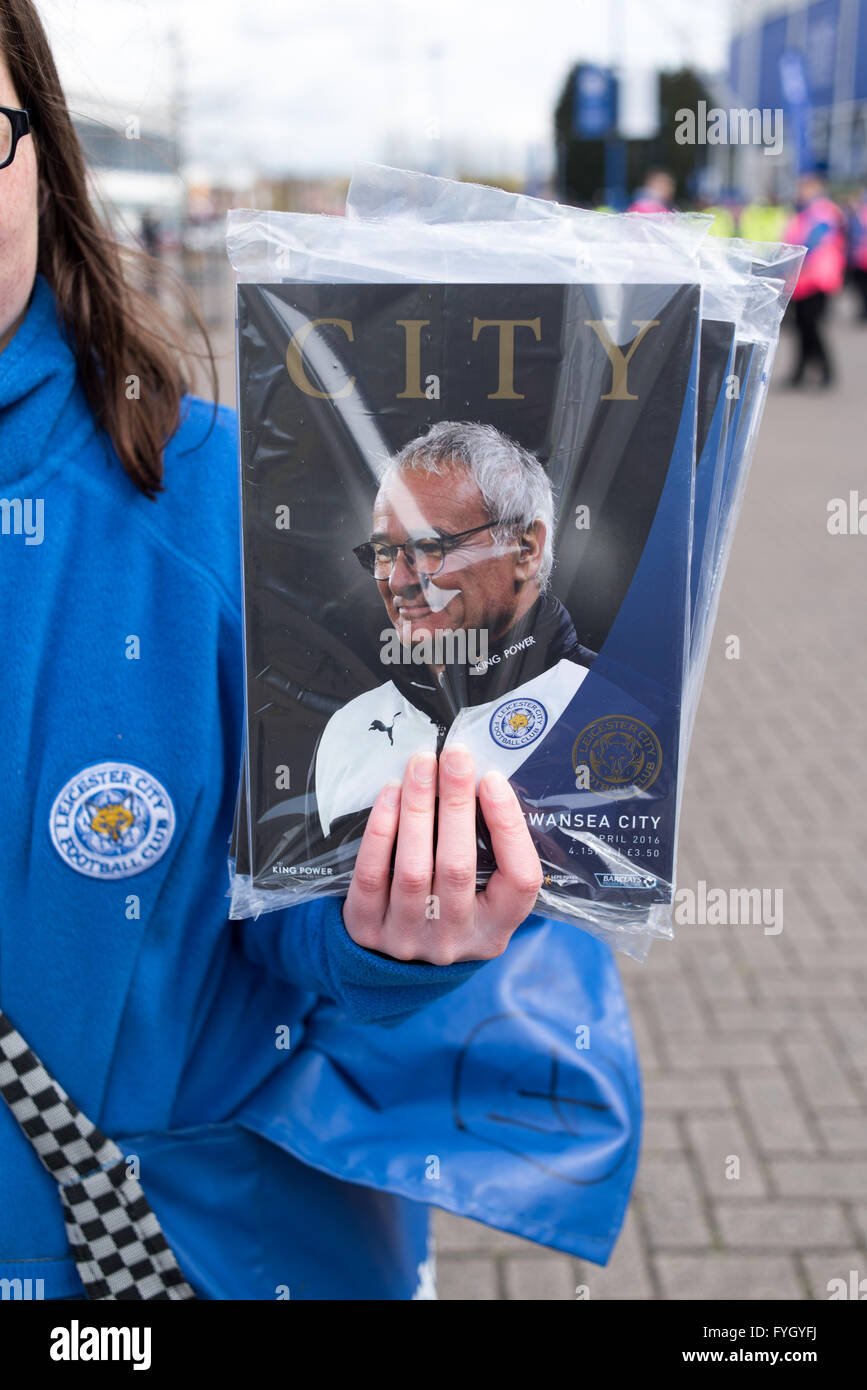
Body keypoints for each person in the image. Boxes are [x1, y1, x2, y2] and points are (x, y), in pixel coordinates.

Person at [0, 0, 641, 1300]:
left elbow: (301, 918)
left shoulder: (211, 498)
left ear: (41, 159)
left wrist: (393, 931)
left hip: (156, 1259)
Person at [316, 421, 596, 841]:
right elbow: (287, 899)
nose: (396, 582)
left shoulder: (610, 709)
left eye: (430, 548)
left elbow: (631, 902)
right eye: (382, 553)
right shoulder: (347, 727)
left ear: (525, 550)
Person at [783, 170, 846, 388]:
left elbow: (813, 242)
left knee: (812, 325)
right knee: (801, 326)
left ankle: (826, 371)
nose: (802, 191)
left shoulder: (823, 211)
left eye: (807, 187)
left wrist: (794, 259)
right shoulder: (802, 213)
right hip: (802, 279)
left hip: (818, 278)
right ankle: (800, 371)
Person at [845, 188, 867, 322]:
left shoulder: (860, 214)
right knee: (860, 287)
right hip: (858, 259)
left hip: (861, 258)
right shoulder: (856, 215)